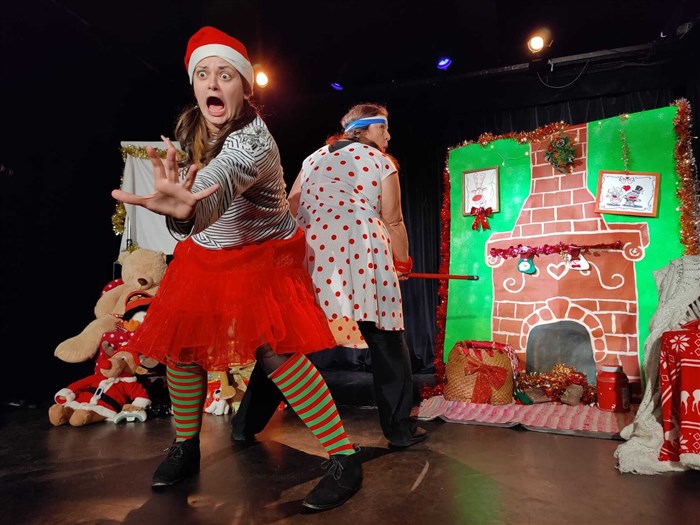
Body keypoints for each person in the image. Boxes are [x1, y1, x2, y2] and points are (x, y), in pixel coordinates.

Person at [111, 26, 362, 511]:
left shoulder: (253, 143)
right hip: (207, 252)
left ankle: (345, 459)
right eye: (203, 74)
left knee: (276, 353)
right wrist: (185, 219)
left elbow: (222, 181)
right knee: (181, 348)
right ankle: (186, 447)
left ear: (244, 87)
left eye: (225, 75)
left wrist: (189, 211)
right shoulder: (193, 127)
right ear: (194, 85)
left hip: (261, 254)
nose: (213, 82)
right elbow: (197, 202)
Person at [231, 103, 427, 449]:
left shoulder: (312, 159)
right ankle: (399, 430)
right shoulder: (381, 161)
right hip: (362, 251)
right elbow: (393, 219)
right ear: (366, 129)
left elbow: (290, 208)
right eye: (383, 128)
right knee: (386, 340)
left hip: (313, 254)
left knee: (288, 343)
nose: (388, 135)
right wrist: (403, 263)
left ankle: (244, 425)